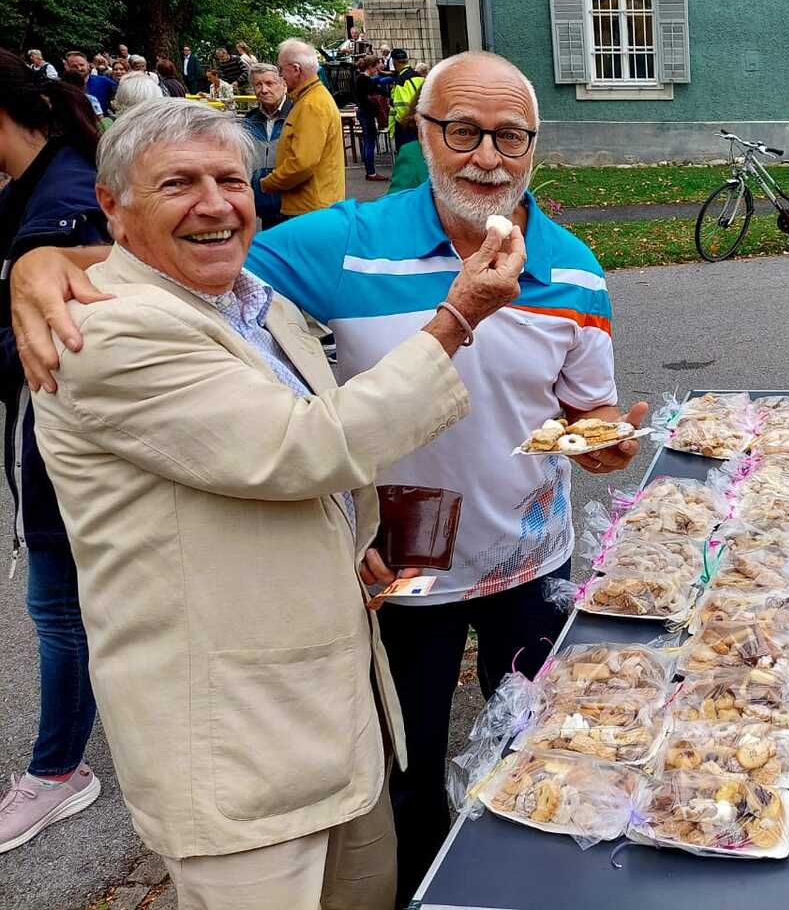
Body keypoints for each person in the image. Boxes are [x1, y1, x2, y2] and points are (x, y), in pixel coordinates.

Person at [11, 51, 646, 907]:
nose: (487, 157)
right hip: (401, 581)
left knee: (539, 752)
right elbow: (187, 263)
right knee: (410, 781)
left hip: (529, 559)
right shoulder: (340, 244)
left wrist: (600, 438)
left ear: (536, 147)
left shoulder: (572, 266)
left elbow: (582, 406)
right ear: (422, 134)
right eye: (462, 131)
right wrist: (46, 263)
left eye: (511, 137)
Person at [0, 48, 110, 855]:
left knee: (59, 610)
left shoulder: (64, 202)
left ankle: (59, 770)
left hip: (64, 448)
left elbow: (60, 345)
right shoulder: (37, 189)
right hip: (55, 444)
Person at [258, 39, 343, 219]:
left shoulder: (311, 104)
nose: (281, 76)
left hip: (310, 210)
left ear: (296, 69)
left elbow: (302, 163)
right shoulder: (310, 98)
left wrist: (268, 183)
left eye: (281, 69)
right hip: (314, 205)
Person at [243, 63, 291, 227]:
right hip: (264, 206)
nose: (264, 90)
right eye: (258, 85)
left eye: (270, 83)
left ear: (283, 85)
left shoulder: (297, 115)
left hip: (294, 204)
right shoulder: (249, 121)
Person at [353, 54, 388, 182]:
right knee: (370, 142)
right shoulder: (365, 80)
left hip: (363, 112)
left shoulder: (360, 78)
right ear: (371, 67)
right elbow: (377, 90)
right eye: (376, 67)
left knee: (368, 141)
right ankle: (371, 173)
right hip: (367, 114)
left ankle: (370, 170)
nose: (377, 70)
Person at [387, 49, 422, 151]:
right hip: (421, 123)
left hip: (406, 127)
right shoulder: (419, 76)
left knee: (407, 156)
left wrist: (392, 129)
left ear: (394, 62)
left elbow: (400, 107)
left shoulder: (400, 80)